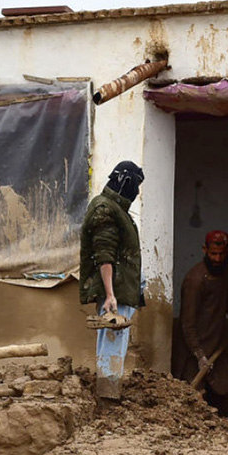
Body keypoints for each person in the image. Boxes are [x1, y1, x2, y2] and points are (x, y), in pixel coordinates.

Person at [79, 160, 144, 399]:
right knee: (112, 340)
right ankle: (108, 395)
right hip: (115, 291)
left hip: (122, 289)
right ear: (126, 182)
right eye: (136, 185)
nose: (137, 192)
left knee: (117, 340)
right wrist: (109, 295)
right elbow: (104, 254)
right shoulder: (105, 209)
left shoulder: (116, 209)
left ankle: (110, 390)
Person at [176, 230, 228, 397]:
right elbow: (187, 323)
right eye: (213, 254)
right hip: (194, 351)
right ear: (204, 250)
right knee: (195, 398)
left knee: (224, 390)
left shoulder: (223, 269)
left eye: (221, 254)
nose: (217, 259)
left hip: (216, 346)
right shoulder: (195, 280)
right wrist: (199, 354)